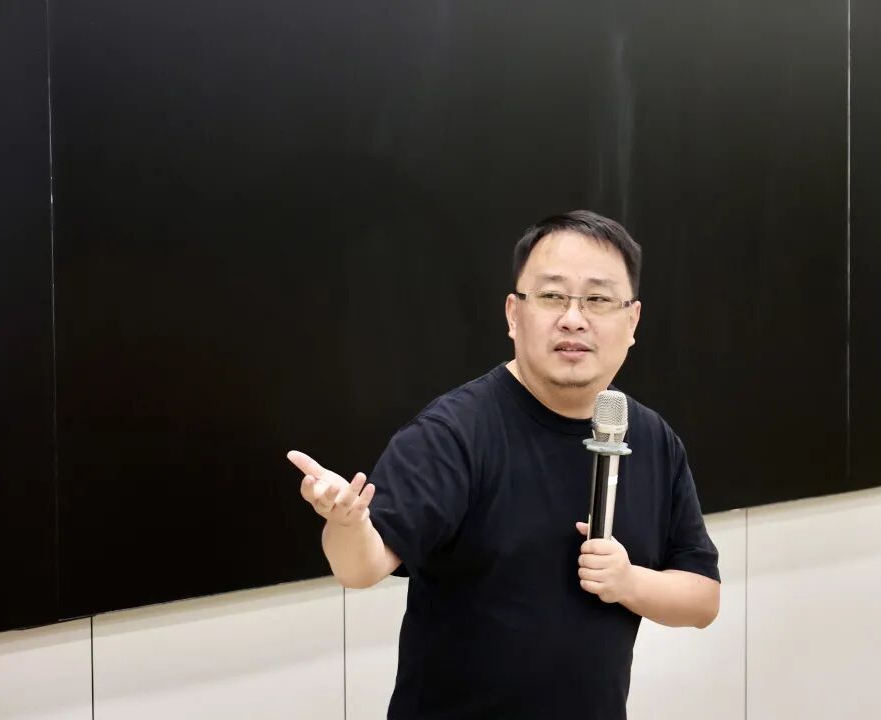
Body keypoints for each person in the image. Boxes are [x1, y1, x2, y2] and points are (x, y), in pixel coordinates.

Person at [287, 210, 720, 719]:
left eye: (598, 299)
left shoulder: (649, 437)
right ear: (514, 314)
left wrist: (629, 583)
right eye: (552, 296)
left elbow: (703, 599)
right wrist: (346, 523)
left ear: (632, 321)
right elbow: (360, 567)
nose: (574, 319)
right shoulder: (453, 432)